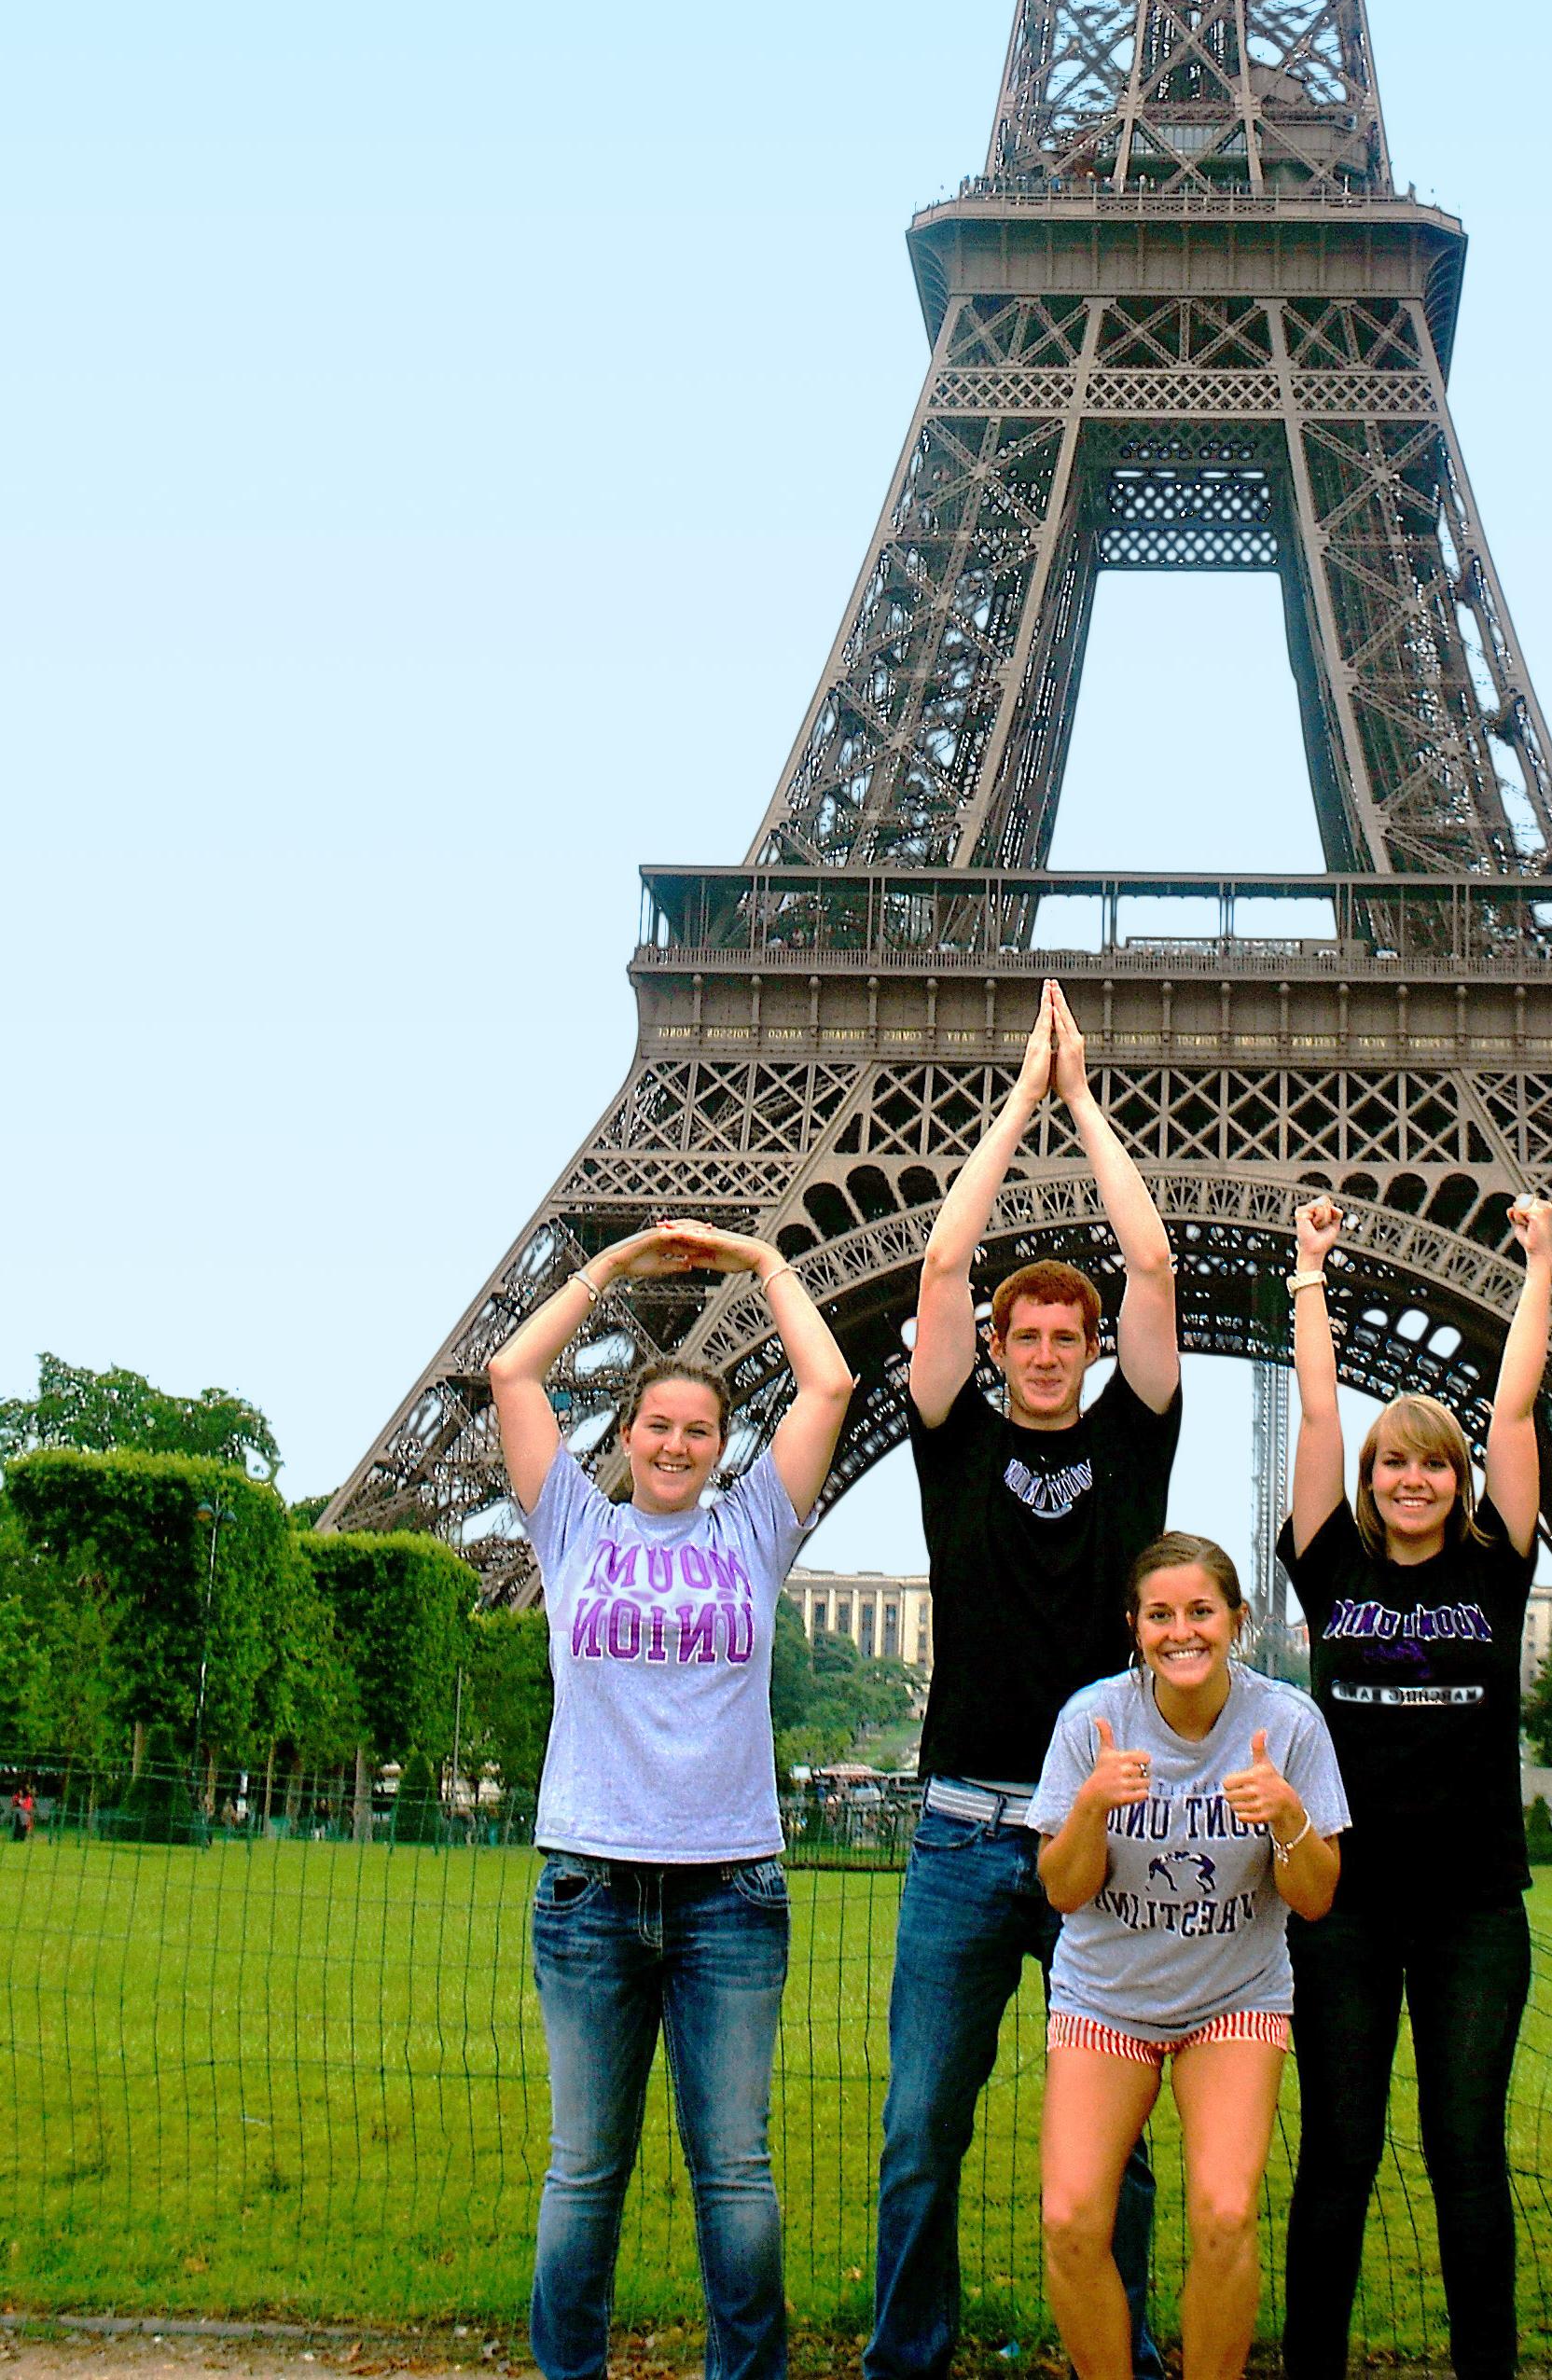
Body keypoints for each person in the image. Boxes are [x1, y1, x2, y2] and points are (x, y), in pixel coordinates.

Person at [869, 983, 1182, 2380]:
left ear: (1094, 1350)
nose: (1048, 1351)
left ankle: (1116, 2353)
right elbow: (940, 1275)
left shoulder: (1130, 1446)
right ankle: (906, 2362)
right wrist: (1015, 1100)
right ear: (998, 1353)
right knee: (920, 2133)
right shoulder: (952, 1443)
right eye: (1027, 1336)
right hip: (956, 1832)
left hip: (1097, 1838)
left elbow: (1157, 1268)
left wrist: (1085, 1103)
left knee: (1112, 2145)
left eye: (1070, 1334)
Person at [486, 1215, 856, 2380]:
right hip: (591, 1884)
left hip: (729, 1893)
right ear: (627, 1435)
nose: (677, 1444)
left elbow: (833, 1380)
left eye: (700, 1430)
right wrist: (611, 1264)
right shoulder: (569, 1527)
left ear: (721, 1447)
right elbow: (510, 1371)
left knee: (735, 2173)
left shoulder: (753, 1530)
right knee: (584, 2170)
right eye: (658, 1425)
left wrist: (762, 1262)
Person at [1275, 1188, 1552, 2380]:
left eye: (1430, 1465)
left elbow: (1517, 1406)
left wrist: (1540, 1265)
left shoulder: (1495, 1566)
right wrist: (1306, 1278)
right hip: (1344, 1906)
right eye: (1394, 1464)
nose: (1410, 1480)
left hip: (1474, 1908)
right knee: (1338, 2153)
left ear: (1456, 1480)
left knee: (1464, 2152)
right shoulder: (1327, 1557)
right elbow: (1319, 1418)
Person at [1030, 1534, 1350, 2380]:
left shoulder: (1288, 1724)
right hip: (1106, 1996)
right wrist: (1091, 1807)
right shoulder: (1091, 1721)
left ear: (1237, 1622)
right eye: (1161, 1615)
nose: (1183, 1632)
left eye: (1202, 1612)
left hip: (1232, 1999)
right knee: (1068, 2220)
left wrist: (1288, 1817)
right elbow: (1062, 1891)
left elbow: (1316, 1897)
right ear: (1134, 1626)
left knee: (1224, 2212)